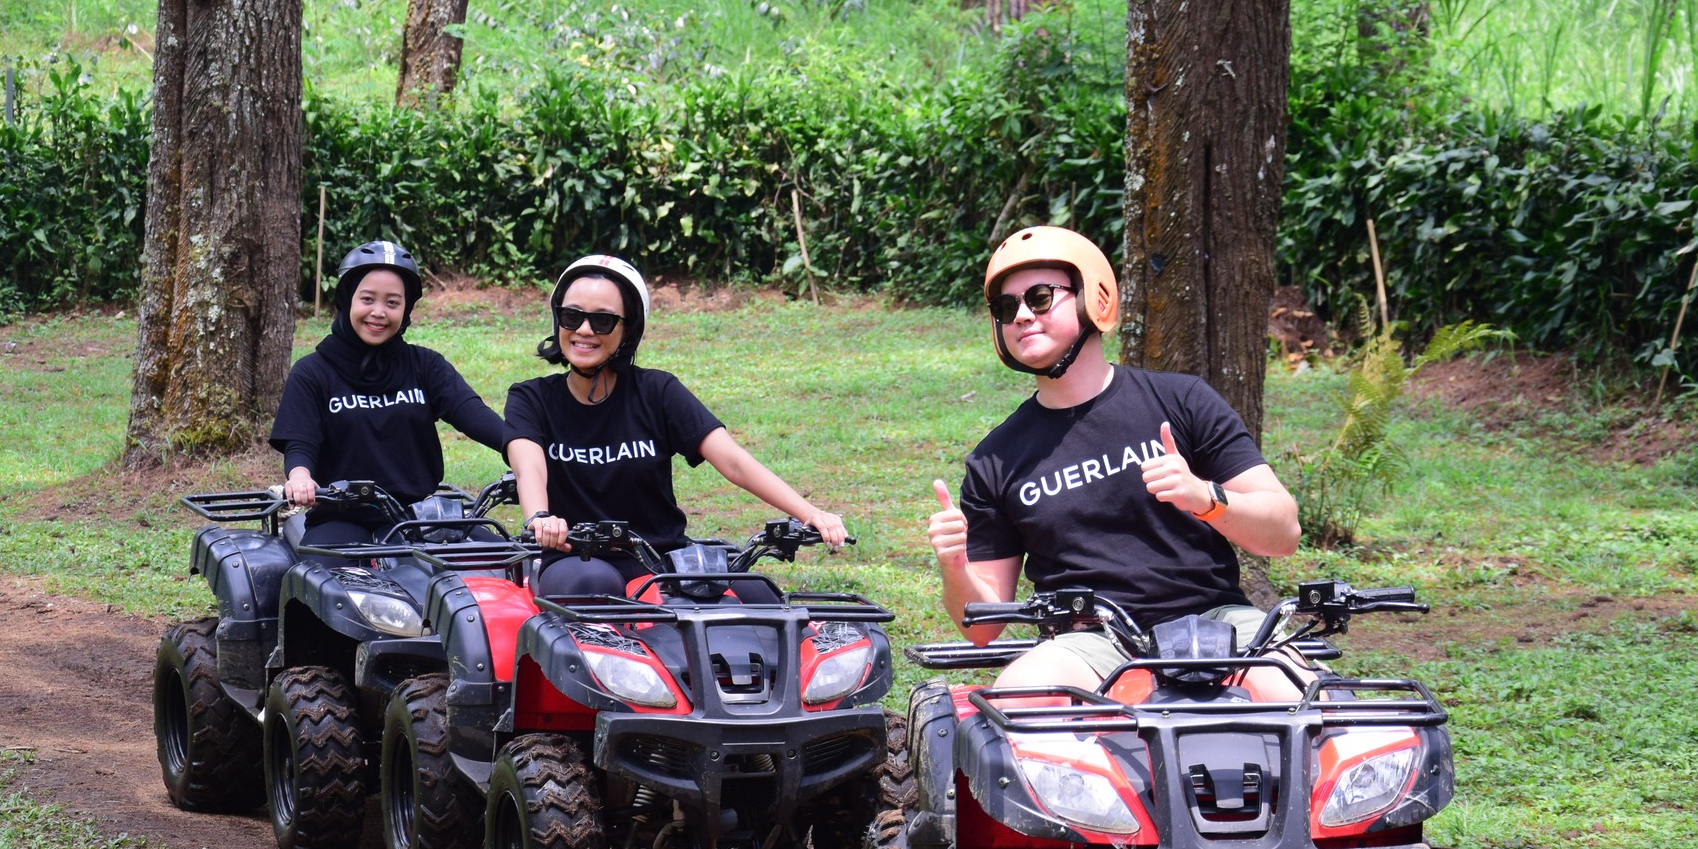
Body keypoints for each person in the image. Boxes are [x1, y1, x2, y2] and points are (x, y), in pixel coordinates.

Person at [927, 226, 1302, 688]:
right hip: (1084, 639)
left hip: (1215, 620)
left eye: (1040, 297)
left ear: (1093, 297)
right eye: (1007, 307)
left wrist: (1206, 497)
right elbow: (983, 626)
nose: (1022, 315)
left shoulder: (1183, 401)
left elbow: (1282, 532)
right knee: (1018, 700)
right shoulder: (995, 461)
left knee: (1301, 699)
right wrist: (954, 566)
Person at [505, 254, 848, 601]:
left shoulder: (658, 392)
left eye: (603, 321)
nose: (584, 330)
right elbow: (529, 466)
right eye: (572, 316)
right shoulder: (531, 398)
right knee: (595, 587)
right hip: (576, 559)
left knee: (762, 597)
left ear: (628, 329)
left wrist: (810, 513)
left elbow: (732, 460)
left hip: (662, 559)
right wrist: (540, 516)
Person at [268, 241, 509, 547]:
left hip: (417, 516)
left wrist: (525, 452)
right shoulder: (313, 372)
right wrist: (300, 477)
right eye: (367, 299)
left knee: (499, 561)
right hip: (340, 518)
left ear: (406, 308)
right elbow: (300, 444)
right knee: (329, 584)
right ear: (347, 300)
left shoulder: (425, 366)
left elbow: (475, 416)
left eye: (392, 303)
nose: (378, 313)